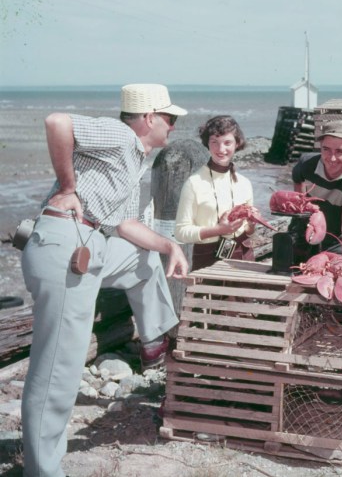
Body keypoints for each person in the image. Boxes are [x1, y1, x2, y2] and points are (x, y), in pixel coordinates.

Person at [21, 83, 190, 477]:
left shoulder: (137, 160)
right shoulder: (119, 135)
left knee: (143, 258)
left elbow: (126, 225)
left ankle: (156, 341)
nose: (174, 125)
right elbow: (57, 122)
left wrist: (169, 247)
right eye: (170, 118)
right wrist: (67, 187)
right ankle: (42, 470)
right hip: (66, 244)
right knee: (59, 367)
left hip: (93, 241)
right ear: (148, 118)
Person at [174, 115, 256, 270]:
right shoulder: (194, 183)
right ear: (207, 144)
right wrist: (218, 230)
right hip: (207, 258)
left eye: (227, 143)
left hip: (243, 255)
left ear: (237, 144)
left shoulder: (245, 183)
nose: (221, 149)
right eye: (214, 142)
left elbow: (249, 231)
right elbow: (180, 232)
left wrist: (252, 224)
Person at [292, 120, 342, 260]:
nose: (332, 158)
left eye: (339, 151)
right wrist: (301, 207)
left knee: (337, 266)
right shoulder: (306, 163)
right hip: (305, 226)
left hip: (335, 233)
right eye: (326, 149)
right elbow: (298, 181)